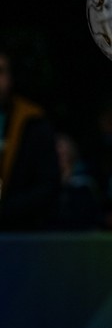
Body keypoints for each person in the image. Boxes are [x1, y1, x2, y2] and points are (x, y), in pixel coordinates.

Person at [0, 43, 61, 230]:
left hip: (20, 234)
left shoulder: (32, 123)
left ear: (10, 78)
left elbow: (47, 186)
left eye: (0, 71)